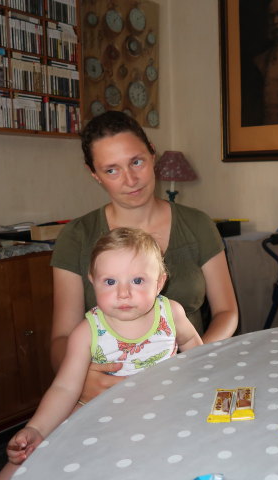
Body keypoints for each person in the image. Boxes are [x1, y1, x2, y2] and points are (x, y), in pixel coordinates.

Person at [50, 110, 237, 404]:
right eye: (112, 170)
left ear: (152, 154)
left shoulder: (199, 224)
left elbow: (227, 312)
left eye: (136, 161)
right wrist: (80, 378)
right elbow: (61, 338)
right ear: (94, 175)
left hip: (189, 380)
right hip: (114, 395)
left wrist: (194, 362)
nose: (130, 179)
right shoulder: (76, 237)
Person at [3, 227, 203, 473]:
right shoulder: (87, 332)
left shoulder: (171, 313)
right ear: (92, 281)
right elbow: (65, 387)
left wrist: (199, 383)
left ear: (160, 282)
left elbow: (196, 349)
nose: (123, 293)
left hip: (162, 411)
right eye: (110, 281)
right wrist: (36, 429)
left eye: (138, 280)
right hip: (104, 420)